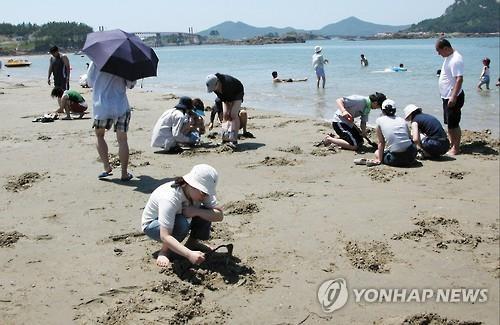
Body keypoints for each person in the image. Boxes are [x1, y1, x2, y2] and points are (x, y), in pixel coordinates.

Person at [141, 164, 223, 268]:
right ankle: (164, 252)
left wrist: (196, 211)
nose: (205, 196)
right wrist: (189, 255)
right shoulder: (170, 198)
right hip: (153, 224)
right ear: (190, 184)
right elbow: (165, 235)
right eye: (203, 193)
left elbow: (219, 216)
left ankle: (193, 243)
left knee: (205, 212)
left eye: (207, 193)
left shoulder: (201, 194)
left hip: (177, 218)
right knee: (182, 223)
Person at [87, 62, 136, 181]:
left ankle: (106, 166)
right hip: (120, 105)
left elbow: (89, 82)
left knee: (99, 136)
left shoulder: (96, 61)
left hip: (101, 106)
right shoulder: (124, 62)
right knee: (122, 140)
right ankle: (124, 173)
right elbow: (131, 84)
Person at [316, 92, 387, 151]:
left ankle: (340, 139)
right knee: (354, 146)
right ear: (375, 103)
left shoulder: (367, 108)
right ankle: (329, 139)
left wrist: (363, 132)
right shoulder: (359, 100)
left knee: (360, 141)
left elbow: (363, 122)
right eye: (378, 107)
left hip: (348, 124)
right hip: (339, 122)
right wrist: (344, 111)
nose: (377, 109)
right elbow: (339, 100)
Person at [436, 38, 465, 156]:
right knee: (449, 123)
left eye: (439, 51)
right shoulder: (449, 56)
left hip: (453, 97)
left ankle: (456, 148)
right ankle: (452, 144)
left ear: (446, 49)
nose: (438, 53)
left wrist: (453, 97)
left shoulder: (456, 59)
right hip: (446, 96)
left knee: (453, 124)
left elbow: (459, 79)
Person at [368, 99, 417, 167]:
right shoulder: (402, 120)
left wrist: (379, 159)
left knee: (377, 153)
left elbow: (381, 142)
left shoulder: (379, 120)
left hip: (395, 159)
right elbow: (409, 138)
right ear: (395, 110)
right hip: (411, 156)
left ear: (383, 110)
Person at [206, 73, 244, 148]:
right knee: (225, 115)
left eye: (214, 88)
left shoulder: (227, 83)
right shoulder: (215, 88)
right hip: (226, 96)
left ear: (218, 83)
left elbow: (230, 102)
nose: (213, 90)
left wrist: (230, 110)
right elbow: (224, 100)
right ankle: (225, 138)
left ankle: (233, 139)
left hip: (237, 92)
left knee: (233, 114)